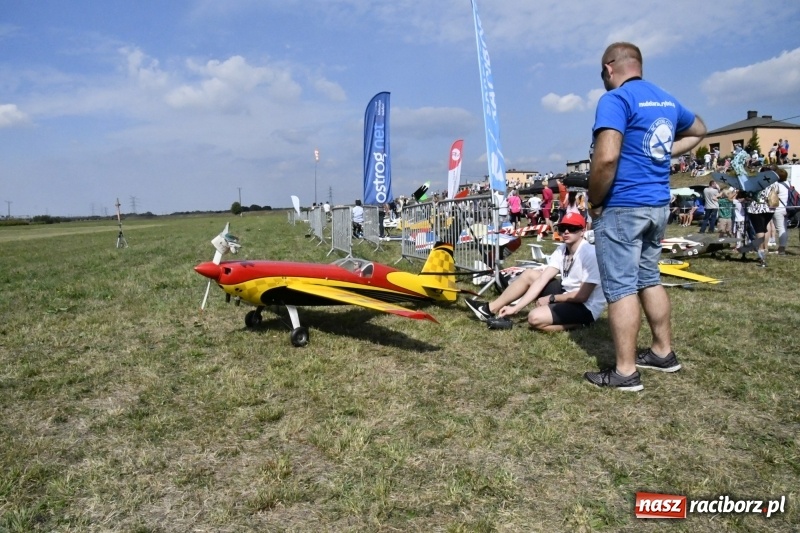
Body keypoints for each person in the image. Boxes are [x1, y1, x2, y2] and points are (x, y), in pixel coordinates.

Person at [585, 42, 707, 391]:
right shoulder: (665, 99)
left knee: (621, 287)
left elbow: (606, 158)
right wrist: (662, 150)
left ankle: (625, 372)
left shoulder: (615, 100)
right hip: (656, 205)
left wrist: (595, 200)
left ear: (609, 68)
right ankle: (662, 352)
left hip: (623, 205)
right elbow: (699, 129)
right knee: (649, 278)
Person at [464, 213, 606, 331]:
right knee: (530, 274)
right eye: (562, 228)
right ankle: (489, 308)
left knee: (534, 319)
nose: (566, 232)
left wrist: (551, 298)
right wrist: (516, 308)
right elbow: (542, 279)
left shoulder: (591, 254)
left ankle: (580, 323)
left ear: (582, 231)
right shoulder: (562, 249)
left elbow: (582, 296)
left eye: (572, 228)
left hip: (585, 306)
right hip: (566, 292)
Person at [735, 167, 783, 266]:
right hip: (770, 209)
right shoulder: (775, 183)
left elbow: (749, 194)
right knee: (764, 228)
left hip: (756, 209)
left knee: (759, 230)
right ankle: (764, 249)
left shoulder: (756, 182)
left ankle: (761, 252)